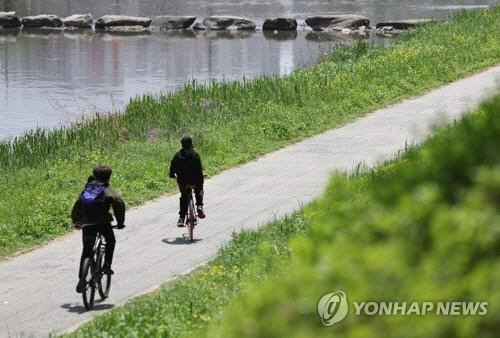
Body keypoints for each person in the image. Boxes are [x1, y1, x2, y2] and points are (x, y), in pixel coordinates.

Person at [71, 166, 126, 293]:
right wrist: (120, 223)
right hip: (103, 222)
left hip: (87, 224)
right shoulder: (107, 189)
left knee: (86, 250)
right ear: (109, 176)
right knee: (110, 240)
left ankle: (82, 279)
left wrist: (77, 221)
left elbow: (78, 205)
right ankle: (107, 265)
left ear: (94, 176)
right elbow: (119, 204)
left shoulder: (88, 188)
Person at [169, 136, 205, 227]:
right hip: (195, 180)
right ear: (191, 144)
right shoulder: (195, 155)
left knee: (184, 196)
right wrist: (200, 181)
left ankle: (181, 218)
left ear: (182, 144)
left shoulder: (177, 156)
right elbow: (199, 170)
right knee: (199, 190)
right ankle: (199, 206)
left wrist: (172, 175)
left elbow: (172, 168)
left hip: (183, 181)